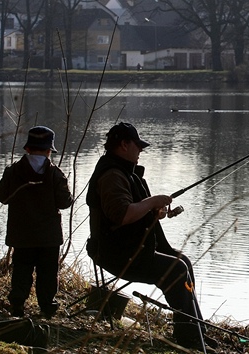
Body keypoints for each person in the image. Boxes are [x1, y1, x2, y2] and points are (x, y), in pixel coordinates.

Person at [85, 122, 212, 351]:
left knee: (183, 262)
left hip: (132, 249)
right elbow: (122, 215)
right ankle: (189, 339)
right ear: (124, 145)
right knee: (176, 269)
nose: (140, 150)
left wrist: (156, 213)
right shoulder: (112, 175)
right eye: (138, 145)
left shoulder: (125, 172)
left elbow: (134, 212)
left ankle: (197, 331)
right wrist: (153, 202)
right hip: (117, 254)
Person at [0, 126, 74, 319]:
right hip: (49, 238)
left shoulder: (13, 171)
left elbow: (1, 196)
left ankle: (17, 307)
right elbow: (65, 202)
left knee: (21, 271)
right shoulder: (55, 174)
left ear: (27, 149)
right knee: (47, 274)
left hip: (21, 235)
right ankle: (47, 308)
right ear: (49, 150)